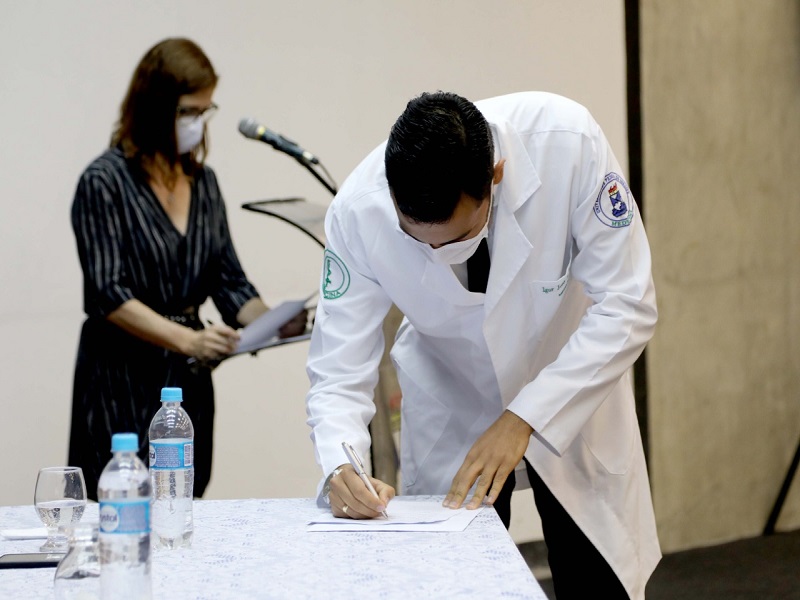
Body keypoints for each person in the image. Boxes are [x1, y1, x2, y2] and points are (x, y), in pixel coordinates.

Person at [305, 91, 659, 599]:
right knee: (458, 585)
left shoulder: (567, 142)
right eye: (420, 241)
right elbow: (337, 370)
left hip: (570, 386)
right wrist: (342, 463)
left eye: (457, 237)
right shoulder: (358, 213)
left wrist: (525, 417)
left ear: (495, 175)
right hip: (453, 396)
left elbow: (629, 302)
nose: (439, 253)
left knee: (597, 579)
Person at [69, 38, 306, 501]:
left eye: (205, 110)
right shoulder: (104, 182)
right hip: (120, 379)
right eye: (188, 111)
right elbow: (107, 293)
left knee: (184, 504)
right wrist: (189, 340)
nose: (198, 123)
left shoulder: (204, 182)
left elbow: (229, 282)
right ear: (154, 107)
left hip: (187, 386)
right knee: (122, 507)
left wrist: (275, 322)